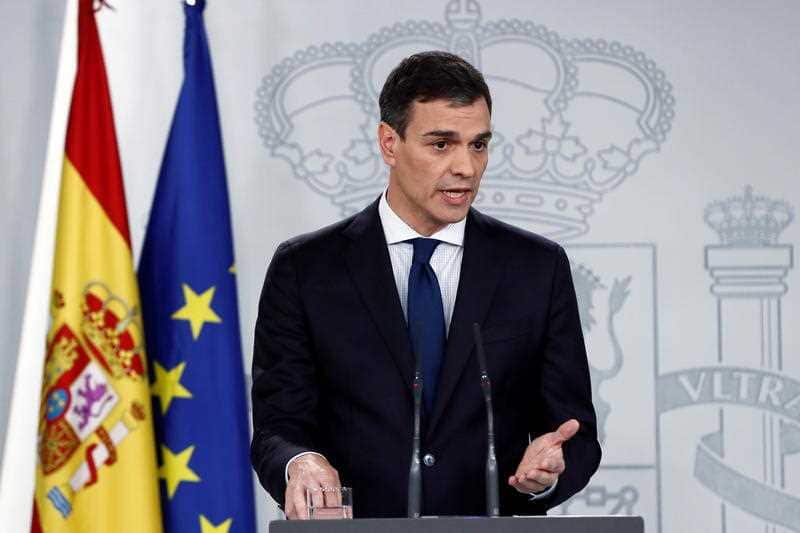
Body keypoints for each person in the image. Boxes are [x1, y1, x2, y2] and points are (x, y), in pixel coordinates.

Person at [251, 51, 601, 519]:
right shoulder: (306, 269)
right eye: (441, 144)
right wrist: (302, 462)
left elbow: (573, 433)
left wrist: (549, 472)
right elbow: (278, 424)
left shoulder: (536, 268)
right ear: (389, 143)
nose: (466, 167)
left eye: (479, 145)